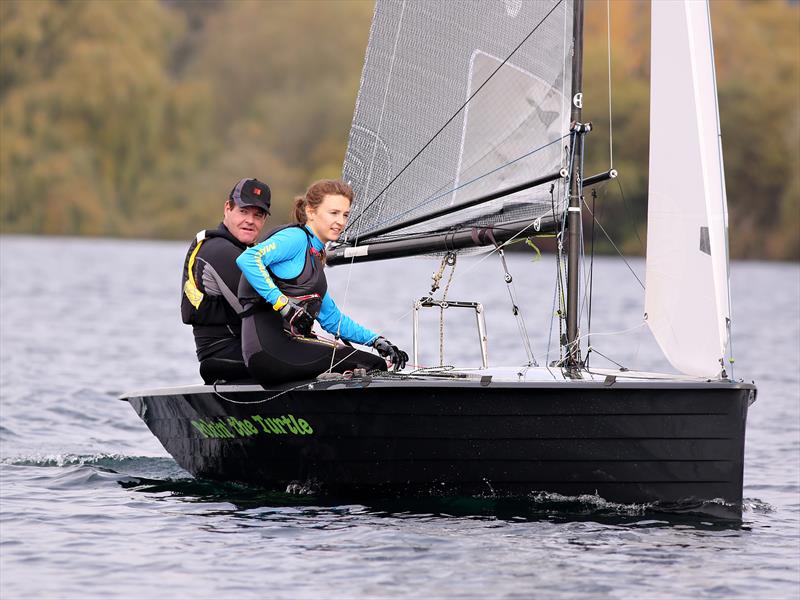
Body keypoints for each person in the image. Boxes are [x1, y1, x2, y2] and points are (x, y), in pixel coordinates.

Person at [236, 179, 408, 385]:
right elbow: (248, 259)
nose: (341, 222)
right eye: (333, 213)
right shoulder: (295, 238)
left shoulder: (315, 256)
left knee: (371, 361)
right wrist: (283, 305)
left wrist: (377, 341)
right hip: (269, 351)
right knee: (373, 366)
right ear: (310, 212)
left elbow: (332, 319)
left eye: (345, 215)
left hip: (285, 350)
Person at [181, 178, 270, 371]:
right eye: (243, 211)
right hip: (228, 357)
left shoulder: (246, 252)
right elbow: (263, 311)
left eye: (258, 215)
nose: (250, 220)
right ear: (227, 208)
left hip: (245, 352)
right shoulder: (219, 251)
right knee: (335, 358)